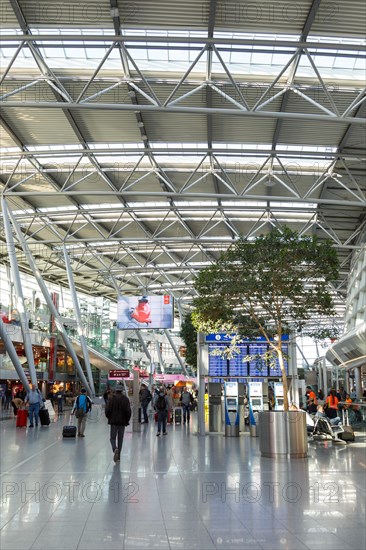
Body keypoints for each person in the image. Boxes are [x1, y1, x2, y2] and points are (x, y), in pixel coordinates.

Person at [105, 384, 131, 463]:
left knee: (112, 438)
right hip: (122, 422)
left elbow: (107, 410)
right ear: (122, 390)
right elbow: (128, 411)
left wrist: (109, 417)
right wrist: (127, 420)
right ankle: (118, 457)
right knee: (120, 438)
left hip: (113, 421)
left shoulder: (111, 399)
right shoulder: (126, 399)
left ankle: (114, 448)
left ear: (115, 390)